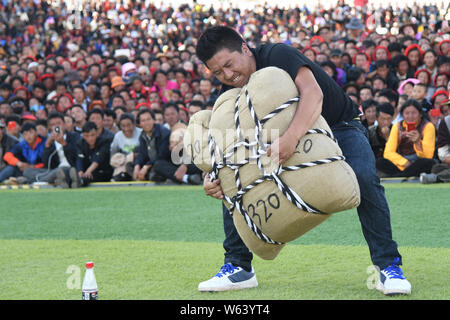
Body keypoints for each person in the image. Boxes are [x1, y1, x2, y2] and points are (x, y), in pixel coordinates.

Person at [195, 26, 411, 295]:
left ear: (245, 48)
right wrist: (212, 179)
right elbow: (228, 146)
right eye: (217, 72)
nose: (227, 75)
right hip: (282, 139)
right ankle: (238, 267)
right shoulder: (230, 92)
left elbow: (314, 95)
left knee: (364, 177)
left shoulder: (278, 54)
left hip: (338, 126)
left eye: (229, 64)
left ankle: (389, 266)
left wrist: (291, 138)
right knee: (235, 182)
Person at [376, 99, 436, 178]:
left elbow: (428, 156)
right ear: (402, 115)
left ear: (420, 114)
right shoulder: (397, 126)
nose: (410, 116)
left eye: (414, 113)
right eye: (407, 113)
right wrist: (404, 162)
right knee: (380, 162)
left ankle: (398, 176)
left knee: (429, 163)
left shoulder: (428, 126)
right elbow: (388, 153)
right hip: (402, 163)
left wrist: (418, 142)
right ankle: (404, 175)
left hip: (418, 162)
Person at [24, 112, 79, 186]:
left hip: (69, 168)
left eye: (58, 123)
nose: (56, 127)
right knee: (27, 171)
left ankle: (31, 180)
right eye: (53, 125)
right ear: (49, 127)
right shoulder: (49, 140)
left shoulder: (74, 136)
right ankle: (56, 179)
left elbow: (74, 159)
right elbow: (47, 164)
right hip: (54, 170)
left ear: (64, 124)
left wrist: (63, 143)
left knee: (59, 171)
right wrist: (47, 145)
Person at [132, 108, 171, 182]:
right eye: (143, 121)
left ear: (153, 120)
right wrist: (137, 166)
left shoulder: (164, 133)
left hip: (163, 163)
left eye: (148, 119)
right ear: (140, 124)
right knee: (131, 165)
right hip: (150, 163)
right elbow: (142, 154)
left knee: (157, 167)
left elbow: (162, 155)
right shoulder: (142, 135)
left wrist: (146, 167)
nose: (146, 123)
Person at [73, 121, 113, 187]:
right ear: (82, 135)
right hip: (87, 171)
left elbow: (98, 159)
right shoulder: (80, 144)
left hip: (102, 171)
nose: (90, 138)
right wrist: (80, 172)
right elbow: (79, 158)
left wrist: (88, 171)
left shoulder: (105, 142)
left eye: (92, 135)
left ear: (97, 133)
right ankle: (76, 179)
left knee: (90, 177)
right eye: (87, 136)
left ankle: (80, 181)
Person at [110, 113, 142, 181]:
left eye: (128, 125)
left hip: (138, 163)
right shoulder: (118, 136)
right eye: (123, 126)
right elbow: (113, 155)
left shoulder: (141, 133)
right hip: (122, 163)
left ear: (134, 124)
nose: (126, 129)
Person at [0, 116, 19, 181]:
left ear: (3, 130)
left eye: (0, 129)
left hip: (7, 167)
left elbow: (15, 160)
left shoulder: (13, 141)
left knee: (10, 168)